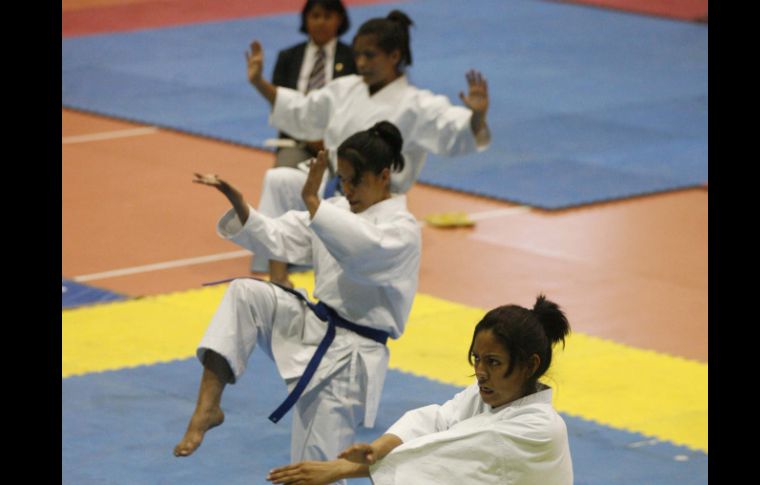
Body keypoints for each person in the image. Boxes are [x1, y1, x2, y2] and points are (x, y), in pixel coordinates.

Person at [173, 122, 422, 485]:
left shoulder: (401, 229)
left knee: (314, 473)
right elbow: (278, 238)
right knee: (246, 293)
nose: (347, 190)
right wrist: (240, 204)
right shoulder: (334, 208)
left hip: (350, 361)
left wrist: (314, 206)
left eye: (356, 181)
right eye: (344, 180)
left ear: (384, 176)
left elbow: (360, 254)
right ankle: (208, 407)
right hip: (315, 326)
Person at [245, 9, 491, 286]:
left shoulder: (417, 104)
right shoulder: (345, 89)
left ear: (395, 56)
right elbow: (302, 112)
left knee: (342, 278)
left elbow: (454, 132)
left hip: (377, 202)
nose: (361, 62)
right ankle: (279, 279)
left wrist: (477, 117)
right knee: (279, 180)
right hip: (334, 185)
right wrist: (259, 84)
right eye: (358, 54)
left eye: (370, 55)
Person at [265, 295, 574, 485]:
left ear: (530, 365)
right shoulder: (488, 395)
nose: (480, 372)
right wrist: (381, 446)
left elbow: (445, 452)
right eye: (476, 359)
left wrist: (338, 469)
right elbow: (437, 420)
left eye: (493, 362)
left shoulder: (541, 429)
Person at [271, 0, 357, 168]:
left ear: (339, 19)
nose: (321, 22)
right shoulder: (288, 57)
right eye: (315, 16)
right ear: (305, 19)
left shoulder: (353, 58)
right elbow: (280, 105)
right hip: (297, 142)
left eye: (327, 16)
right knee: (280, 176)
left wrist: (329, 140)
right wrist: (309, 138)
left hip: (342, 144)